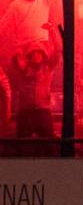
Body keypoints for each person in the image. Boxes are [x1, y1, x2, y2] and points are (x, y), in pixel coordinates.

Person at [10, 21, 61, 155]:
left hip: (43, 112)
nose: (36, 55)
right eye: (34, 53)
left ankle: (54, 172)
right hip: (25, 112)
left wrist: (52, 31)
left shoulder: (48, 68)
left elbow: (58, 50)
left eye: (39, 53)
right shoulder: (24, 68)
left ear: (43, 55)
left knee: (50, 147)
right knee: (21, 147)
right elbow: (16, 55)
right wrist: (21, 34)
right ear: (30, 56)